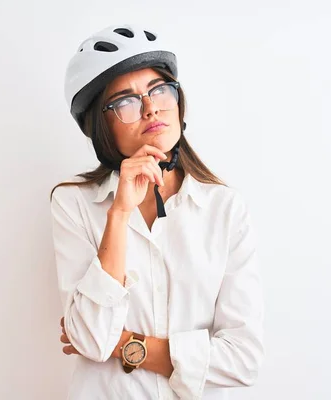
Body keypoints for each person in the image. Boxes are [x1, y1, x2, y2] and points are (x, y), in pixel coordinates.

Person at [50, 24, 265, 400]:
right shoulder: (74, 203)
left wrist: (129, 345)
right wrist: (118, 213)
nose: (151, 107)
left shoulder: (224, 209)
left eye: (159, 89)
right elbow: (91, 340)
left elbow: (243, 359)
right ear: (102, 127)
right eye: (126, 101)